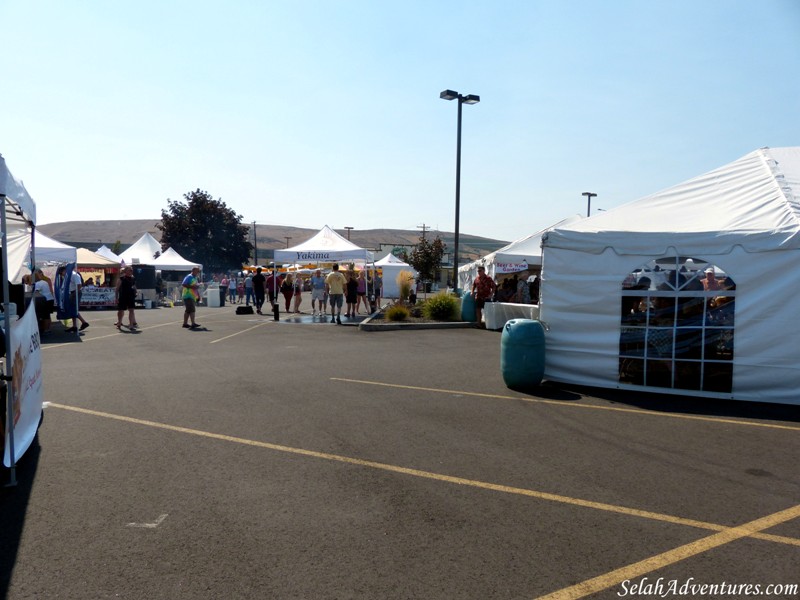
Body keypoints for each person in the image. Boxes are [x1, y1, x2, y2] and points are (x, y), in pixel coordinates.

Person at [67, 268, 90, 333]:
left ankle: (84, 322)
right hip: (72, 292)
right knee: (72, 309)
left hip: (75, 293)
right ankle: (74, 326)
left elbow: (79, 285)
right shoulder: (69, 275)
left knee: (74, 309)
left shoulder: (75, 275)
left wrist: (74, 294)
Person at [33, 269, 55, 334]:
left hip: (46, 300)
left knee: (45, 316)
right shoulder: (44, 281)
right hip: (50, 299)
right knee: (47, 315)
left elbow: (36, 293)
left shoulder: (38, 283)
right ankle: (48, 328)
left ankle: (45, 329)